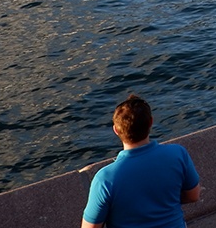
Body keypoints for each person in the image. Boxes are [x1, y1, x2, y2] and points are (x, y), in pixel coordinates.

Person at [81, 95, 201, 228]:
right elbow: (193, 196)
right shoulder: (177, 154)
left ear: (115, 130)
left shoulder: (105, 179)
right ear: (150, 122)